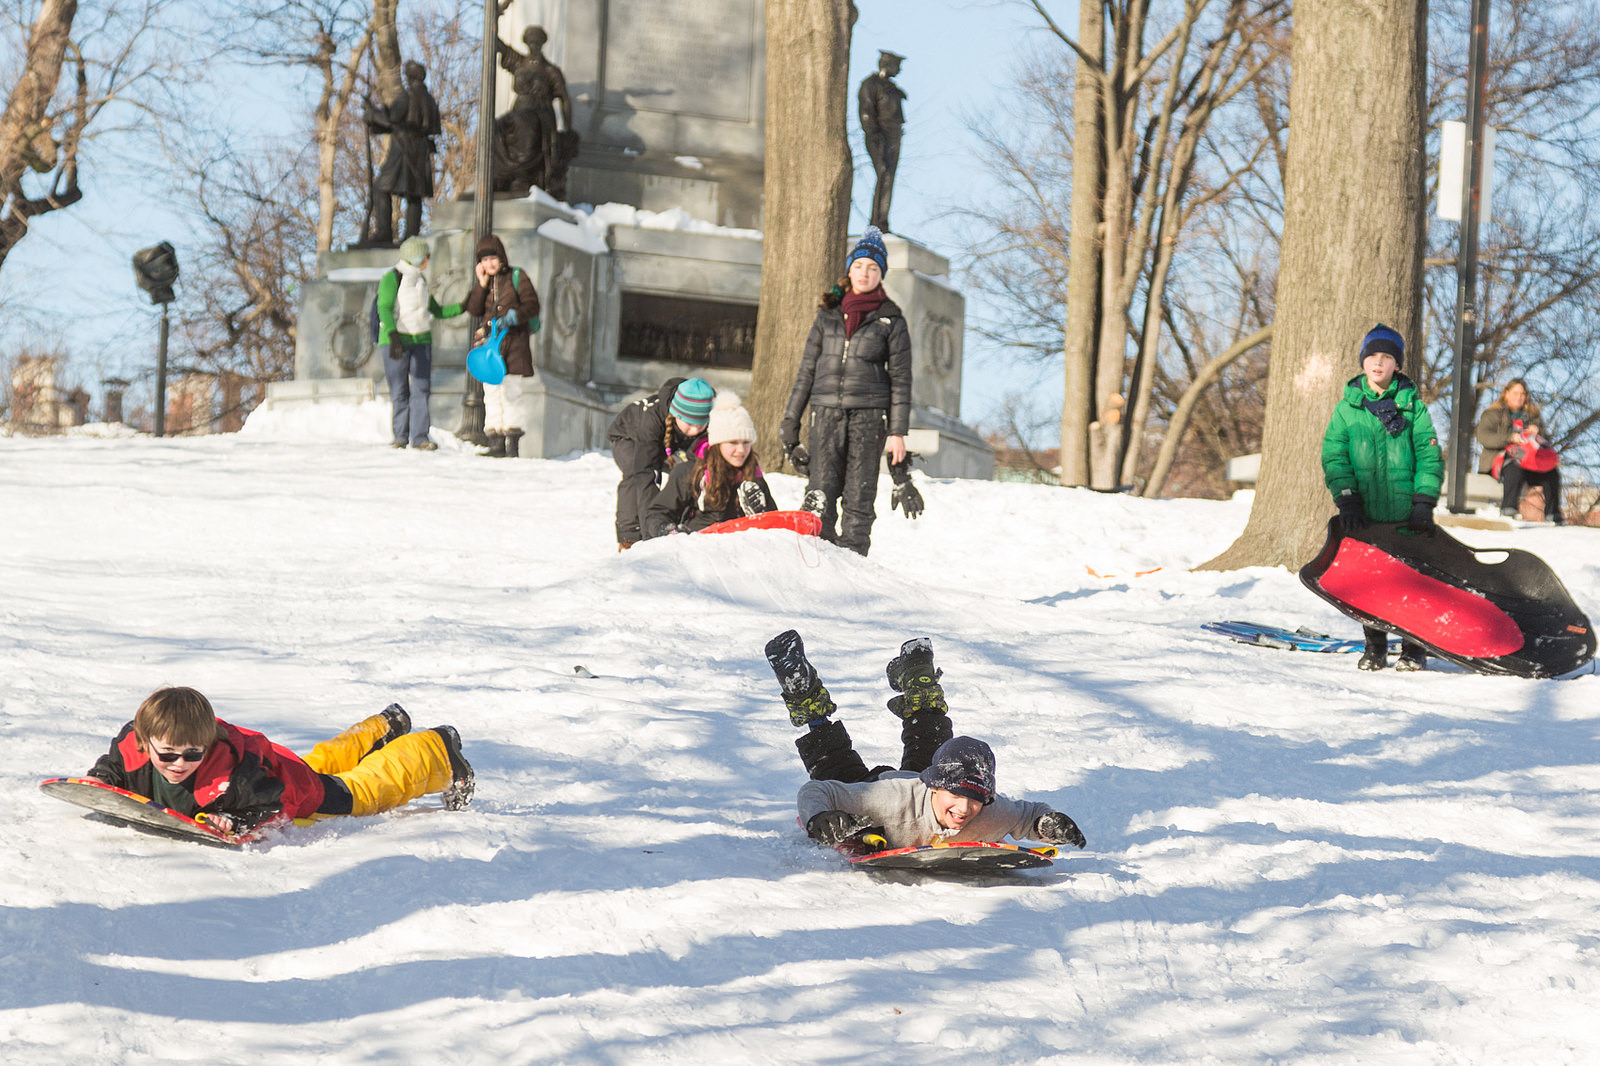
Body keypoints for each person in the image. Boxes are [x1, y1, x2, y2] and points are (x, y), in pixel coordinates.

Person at [764, 629, 1087, 852]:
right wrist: (821, 818)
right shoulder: (887, 800)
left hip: (922, 782)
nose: (964, 809)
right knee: (834, 763)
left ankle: (918, 670)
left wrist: (1048, 823)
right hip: (879, 791)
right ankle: (803, 690)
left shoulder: (986, 811)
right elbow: (816, 792)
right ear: (936, 786)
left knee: (933, 745)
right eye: (958, 796)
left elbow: (1027, 815)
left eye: (975, 799)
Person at [85, 686, 473, 836]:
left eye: (192, 755)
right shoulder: (131, 744)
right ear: (144, 739)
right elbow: (115, 765)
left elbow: (267, 804)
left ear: (206, 744)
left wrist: (237, 819)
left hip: (285, 787)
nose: (178, 763)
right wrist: (101, 779)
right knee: (317, 764)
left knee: (353, 792)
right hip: (275, 763)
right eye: (167, 754)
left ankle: (433, 750)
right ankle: (381, 728)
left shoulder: (236, 779)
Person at [779, 226, 913, 557]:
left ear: (881, 274)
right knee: (820, 494)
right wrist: (790, 421)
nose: (864, 273)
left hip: (869, 417)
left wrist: (897, 432)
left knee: (859, 498)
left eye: (872, 268)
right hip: (824, 413)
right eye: (859, 266)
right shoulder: (827, 315)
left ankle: (852, 567)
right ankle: (816, 564)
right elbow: (806, 371)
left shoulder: (891, 320)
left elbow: (901, 380)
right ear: (849, 269)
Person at [1321, 323, 1444, 672]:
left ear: (1397, 366)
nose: (1378, 363)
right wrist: (1347, 499)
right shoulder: (1347, 410)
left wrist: (1423, 501)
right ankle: (1375, 648)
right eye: (1372, 356)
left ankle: (1413, 649)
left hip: (1406, 512)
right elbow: (1334, 457)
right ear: (1363, 362)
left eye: (1386, 357)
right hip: (1365, 512)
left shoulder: (1413, 409)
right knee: (1371, 583)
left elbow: (1429, 455)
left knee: (1410, 581)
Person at [643, 392, 777, 538]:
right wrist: (672, 533)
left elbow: (775, 524)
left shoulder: (752, 475)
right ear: (717, 444)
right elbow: (657, 515)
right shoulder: (690, 472)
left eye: (746, 443)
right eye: (733, 442)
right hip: (700, 548)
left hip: (740, 551)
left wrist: (762, 516)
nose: (741, 450)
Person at [375, 237, 464, 450]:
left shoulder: (421, 280)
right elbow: (384, 308)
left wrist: (464, 305)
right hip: (396, 341)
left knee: (422, 389)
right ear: (416, 256)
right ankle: (400, 436)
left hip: (422, 339)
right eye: (426, 255)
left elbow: (436, 310)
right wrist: (393, 335)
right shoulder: (392, 278)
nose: (428, 259)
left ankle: (420, 437)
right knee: (399, 390)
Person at [608, 377, 716, 549]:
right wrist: (650, 535)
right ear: (676, 414)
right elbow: (645, 476)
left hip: (669, 443)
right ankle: (630, 536)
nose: (695, 430)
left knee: (688, 472)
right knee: (636, 474)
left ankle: (681, 521)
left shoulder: (705, 424)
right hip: (629, 437)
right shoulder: (651, 420)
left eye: (700, 424)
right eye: (689, 423)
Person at [464, 234, 541, 458]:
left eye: (492, 259)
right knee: (492, 393)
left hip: (514, 344)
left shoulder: (517, 276)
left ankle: (512, 444)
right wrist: (481, 283)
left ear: (501, 257)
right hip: (491, 347)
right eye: (484, 260)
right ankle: (495, 441)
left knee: (511, 392)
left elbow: (533, 304)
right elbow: (474, 309)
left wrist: (515, 316)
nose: (489, 264)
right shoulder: (486, 282)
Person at [367, 60, 441, 246]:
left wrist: (372, 114)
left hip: (403, 148)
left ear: (410, 76)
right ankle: (411, 235)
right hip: (420, 150)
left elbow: (392, 121)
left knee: (381, 188)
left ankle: (384, 233)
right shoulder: (430, 100)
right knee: (414, 193)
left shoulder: (407, 97)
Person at [1476, 378, 1562, 523]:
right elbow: (1483, 436)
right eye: (1515, 393)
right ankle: (1508, 510)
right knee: (1514, 466)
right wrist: (1510, 438)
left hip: (1530, 461)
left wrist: (1537, 432)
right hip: (1501, 460)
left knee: (1551, 473)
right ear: (1507, 393)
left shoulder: (1533, 417)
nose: (1519, 397)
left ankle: (1553, 515)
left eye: (1522, 394)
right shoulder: (1492, 414)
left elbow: (1544, 442)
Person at [858, 50, 906, 232]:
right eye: (897, 66)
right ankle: (876, 222)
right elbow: (866, 111)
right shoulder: (871, 85)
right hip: (880, 135)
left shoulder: (892, 88)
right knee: (883, 173)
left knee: (889, 177)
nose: (899, 70)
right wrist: (873, 133)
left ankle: (882, 221)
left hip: (894, 136)